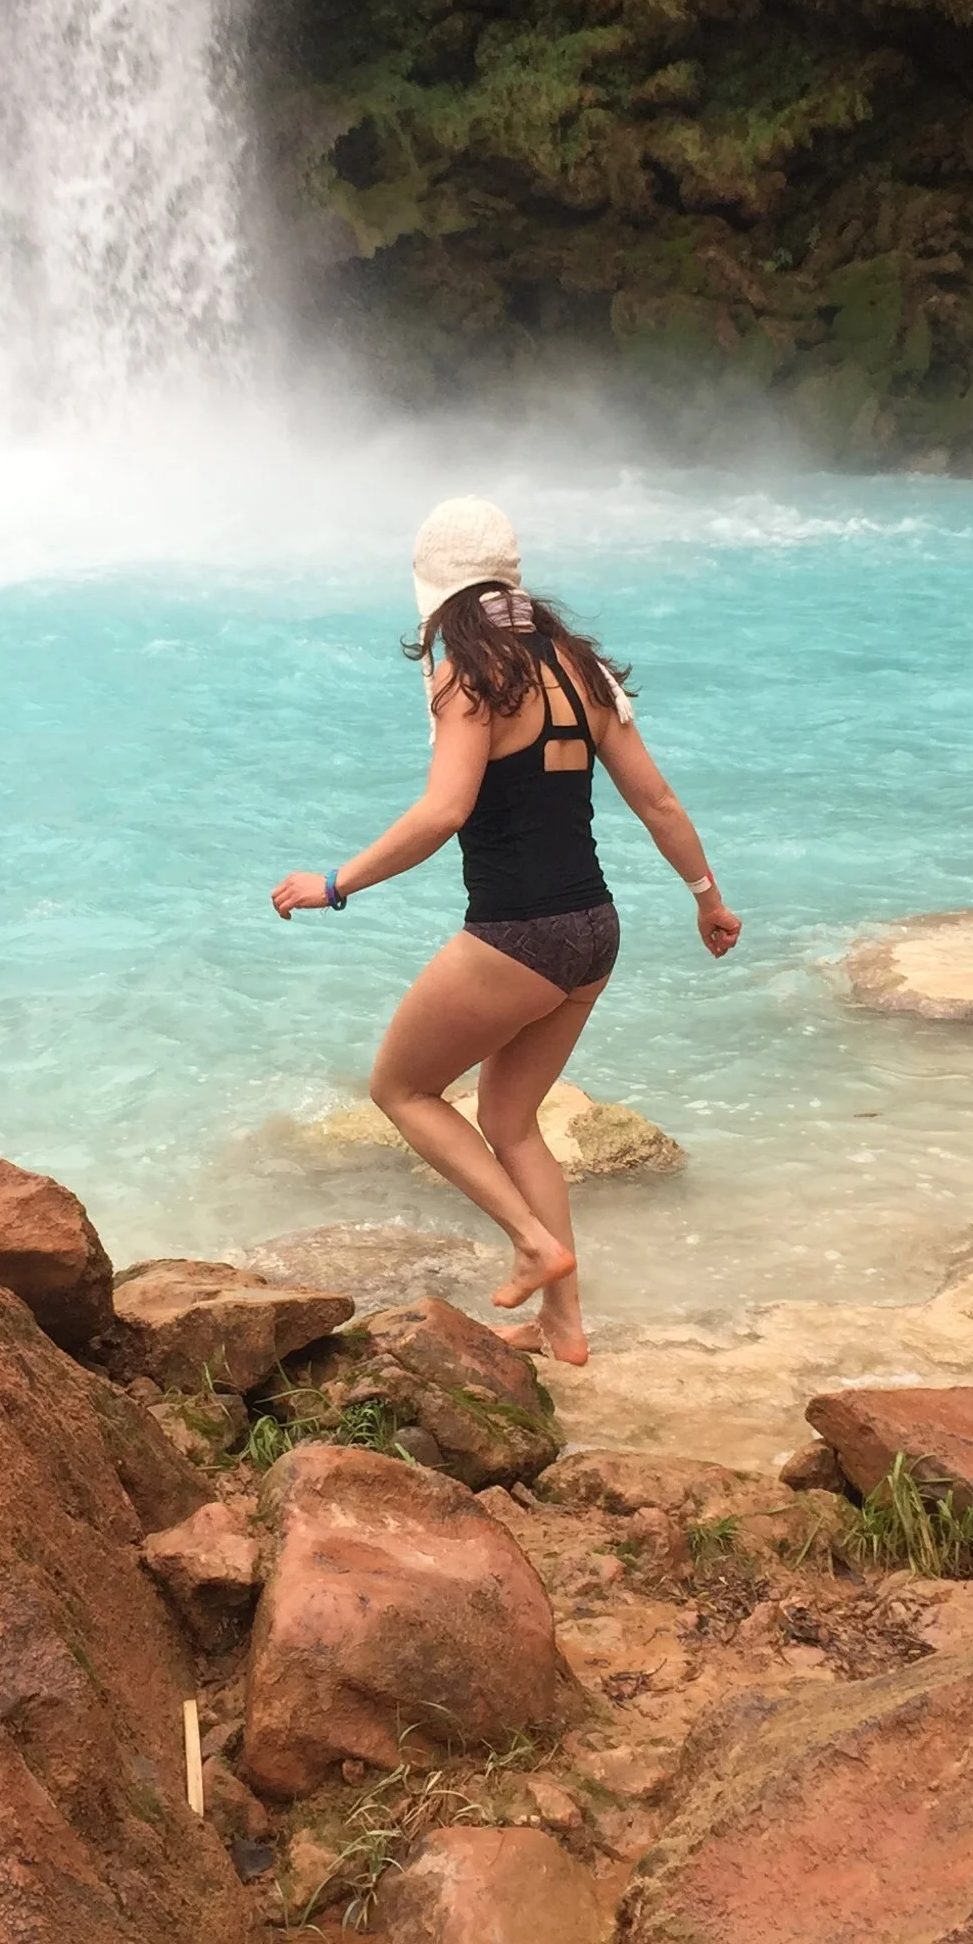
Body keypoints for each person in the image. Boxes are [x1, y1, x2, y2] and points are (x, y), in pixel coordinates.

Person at [271, 496, 741, 1366]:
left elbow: (445, 811)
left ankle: (530, 1241)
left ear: (437, 592)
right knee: (510, 1119)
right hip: (595, 933)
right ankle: (564, 1329)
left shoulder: (471, 678)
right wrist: (707, 897)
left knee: (403, 1090)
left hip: (519, 936)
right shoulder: (580, 668)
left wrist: (334, 882)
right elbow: (658, 799)